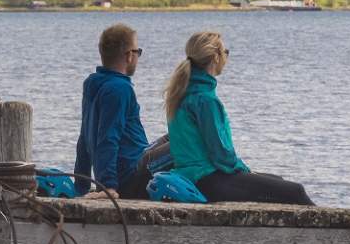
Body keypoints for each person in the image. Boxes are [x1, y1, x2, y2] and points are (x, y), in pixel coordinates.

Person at [164, 31, 313, 204]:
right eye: (225, 52)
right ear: (215, 58)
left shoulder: (182, 91)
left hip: (193, 177)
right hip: (208, 180)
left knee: (277, 180)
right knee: (295, 192)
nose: (226, 56)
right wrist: (245, 170)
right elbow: (222, 156)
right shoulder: (205, 99)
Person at [74, 23, 150, 197]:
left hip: (123, 171)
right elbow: (108, 137)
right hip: (132, 173)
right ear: (129, 55)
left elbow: (85, 138)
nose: (137, 56)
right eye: (138, 51)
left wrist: (81, 186)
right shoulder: (119, 89)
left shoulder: (93, 83)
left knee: (170, 139)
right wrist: (108, 186)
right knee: (180, 145)